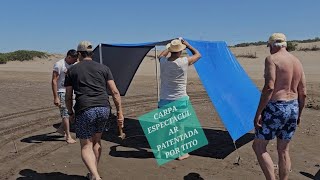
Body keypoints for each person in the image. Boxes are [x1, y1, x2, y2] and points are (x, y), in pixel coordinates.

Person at [65, 41, 124, 180]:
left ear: (79, 54)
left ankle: (96, 177)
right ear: (92, 53)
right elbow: (115, 92)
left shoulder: (72, 70)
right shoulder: (104, 68)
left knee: (86, 145)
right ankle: (93, 174)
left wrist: (70, 112)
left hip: (85, 109)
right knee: (97, 142)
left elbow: (68, 96)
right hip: (104, 108)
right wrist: (119, 111)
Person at [252, 33, 307, 180]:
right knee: (283, 150)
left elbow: (269, 87)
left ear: (272, 45)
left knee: (259, 146)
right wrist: (299, 114)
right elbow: (303, 92)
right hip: (293, 107)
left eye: (269, 46)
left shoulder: (272, 59)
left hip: (276, 106)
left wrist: (258, 112)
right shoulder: (297, 61)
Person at [157, 38, 201, 160]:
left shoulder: (163, 61)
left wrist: (169, 47)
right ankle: (181, 153)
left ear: (171, 50)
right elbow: (198, 55)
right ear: (181, 51)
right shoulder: (184, 61)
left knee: (163, 127)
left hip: (165, 99)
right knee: (180, 127)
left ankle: (160, 152)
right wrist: (188, 45)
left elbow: (160, 56)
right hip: (180, 100)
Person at [51, 49, 78, 144]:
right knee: (66, 114)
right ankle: (68, 136)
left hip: (72, 92)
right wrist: (56, 97)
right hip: (62, 91)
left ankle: (61, 129)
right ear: (69, 57)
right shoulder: (59, 64)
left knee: (72, 112)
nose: (76, 61)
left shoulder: (75, 65)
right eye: (74, 59)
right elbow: (54, 80)